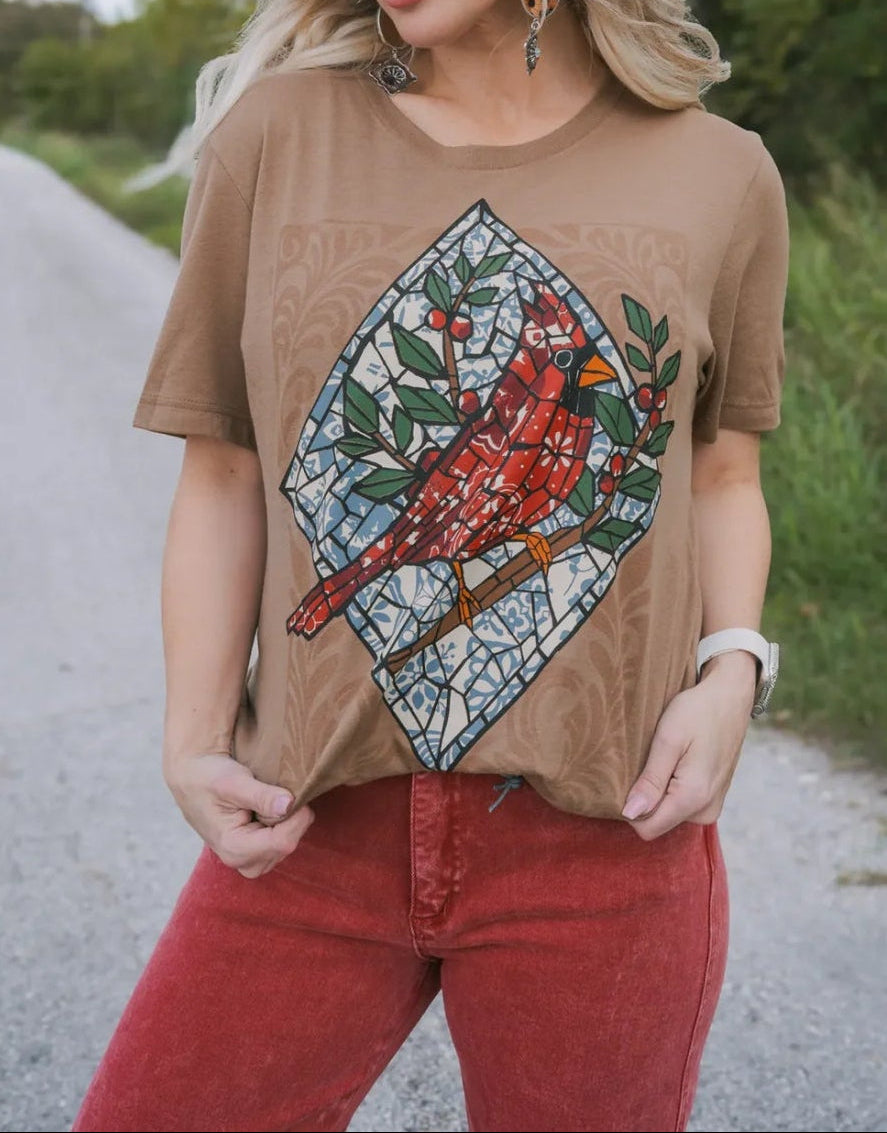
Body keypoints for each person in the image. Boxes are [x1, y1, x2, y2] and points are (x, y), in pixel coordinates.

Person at [73, 1, 788, 1130]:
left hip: (605, 842)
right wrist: (192, 739)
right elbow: (223, 468)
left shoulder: (720, 171)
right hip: (311, 821)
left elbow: (721, 475)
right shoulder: (275, 137)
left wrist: (732, 669)